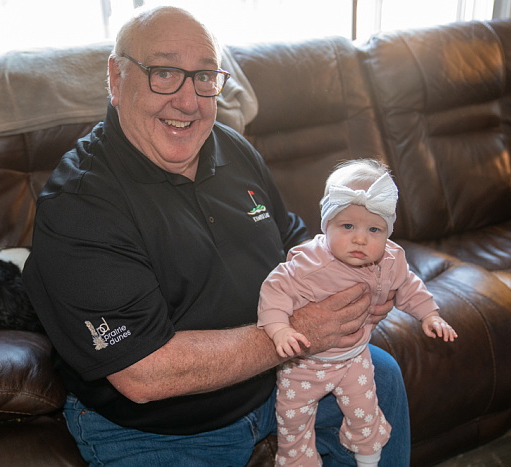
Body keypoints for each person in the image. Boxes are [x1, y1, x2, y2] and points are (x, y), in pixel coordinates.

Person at [23, 6, 411, 466]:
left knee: (383, 375)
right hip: (160, 428)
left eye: (204, 76)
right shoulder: (79, 205)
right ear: (116, 78)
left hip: (280, 377)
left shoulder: (232, 147)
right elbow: (143, 373)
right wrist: (302, 330)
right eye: (164, 73)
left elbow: (295, 244)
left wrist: (359, 286)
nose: (188, 102)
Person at [258, 159, 458, 466]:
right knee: (293, 423)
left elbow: (408, 285)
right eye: (347, 226)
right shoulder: (308, 264)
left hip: (354, 358)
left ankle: (368, 458)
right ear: (326, 224)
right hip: (303, 364)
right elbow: (274, 291)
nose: (360, 239)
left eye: (374, 229)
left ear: (388, 232)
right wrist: (280, 330)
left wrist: (429, 315)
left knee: (365, 414)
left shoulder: (390, 259)